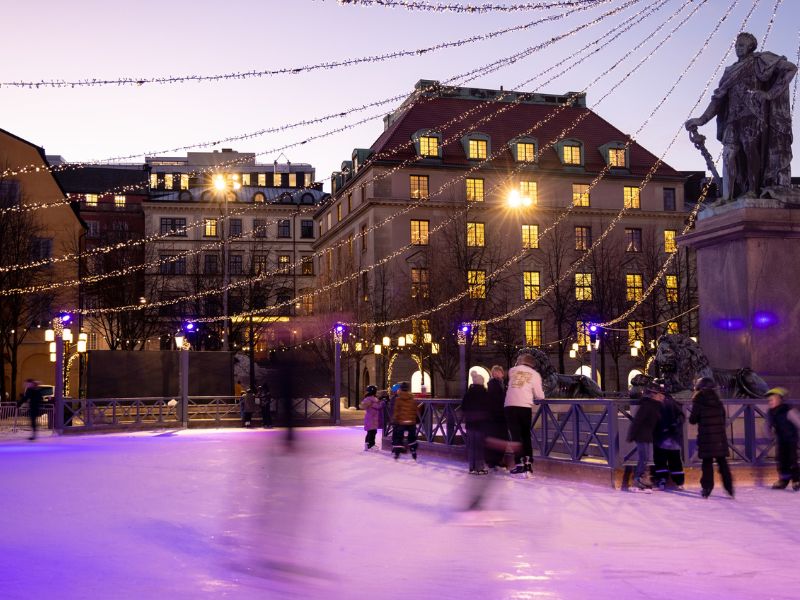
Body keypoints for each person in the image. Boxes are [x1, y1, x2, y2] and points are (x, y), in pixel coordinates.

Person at [685, 32, 797, 201]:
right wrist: (701, 119)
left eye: (742, 45)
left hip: (752, 115)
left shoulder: (761, 61)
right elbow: (718, 99)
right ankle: (727, 197)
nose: (738, 48)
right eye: (737, 45)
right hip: (732, 118)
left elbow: (791, 68)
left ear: (750, 47)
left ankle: (752, 189)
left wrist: (770, 94)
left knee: (750, 150)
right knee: (728, 154)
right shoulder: (729, 71)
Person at [689, 377, 734, 498]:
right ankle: (729, 488)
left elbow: (692, 420)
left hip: (706, 437)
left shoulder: (698, 400)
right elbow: (723, 418)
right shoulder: (718, 401)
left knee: (707, 463)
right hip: (719, 438)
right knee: (722, 463)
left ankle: (707, 488)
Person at [505, 354, 545, 477]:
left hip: (511, 406)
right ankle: (528, 464)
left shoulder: (512, 371)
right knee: (526, 435)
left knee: (516, 437)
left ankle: (519, 463)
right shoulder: (535, 374)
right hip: (525, 407)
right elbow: (540, 395)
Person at [627, 381, 665, 491]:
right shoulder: (647, 405)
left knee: (646, 458)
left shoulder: (655, 405)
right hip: (641, 435)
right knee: (643, 458)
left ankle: (642, 479)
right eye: (659, 394)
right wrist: (632, 434)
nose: (662, 396)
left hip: (647, 435)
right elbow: (638, 421)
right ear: (653, 395)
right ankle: (637, 479)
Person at [765, 387, 800, 491]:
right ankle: (784, 480)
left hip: (791, 439)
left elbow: (798, 422)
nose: (770, 402)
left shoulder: (788, 410)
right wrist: (769, 434)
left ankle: (796, 480)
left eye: (772, 399)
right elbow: (767, 424)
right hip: (781, 440)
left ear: (779, 399)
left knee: (792, 459)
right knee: (781, 460)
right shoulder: (770, 412)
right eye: (769, 400)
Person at [653, 387, 685, 491]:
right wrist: (676, 426)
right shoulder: (674, 403)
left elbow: (654, 420)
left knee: (660, 460)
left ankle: (662, 479)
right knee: (675, 460)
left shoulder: (658, 404)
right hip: (674, 437)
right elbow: (681, 417)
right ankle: (679, 481)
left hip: (661, 437)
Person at [462, 371, 489, 475]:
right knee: (479, 447)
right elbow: (488, 408)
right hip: (481, 424)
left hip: (470, 423)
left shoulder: (468, 393)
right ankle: (480, 467)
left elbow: (464, 407)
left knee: (472, 446)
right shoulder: (484, 394)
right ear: (482, 382)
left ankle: (471, 467)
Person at [485, 365, 509, 470]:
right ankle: (495, 460)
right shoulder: (494, 385)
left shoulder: (499, 384)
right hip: (497, 416)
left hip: (498, 416)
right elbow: (497, 400)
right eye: (497, 372)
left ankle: (495, 460)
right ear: (494, 373)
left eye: (500, 372)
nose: (500, 374)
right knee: (499, 438)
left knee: (499, 438)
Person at [391, 381, 418, 460]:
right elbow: (415, 410)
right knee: (412, 437)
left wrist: (394, 419)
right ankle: (413, 450)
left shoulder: (398, 399)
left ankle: (397, 452)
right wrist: (414, 418)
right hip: (411, 422)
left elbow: (396, 411)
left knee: (399, 437)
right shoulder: (412, 399)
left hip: (401, 422)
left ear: (401, 389)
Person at [361, 385, 385, 451]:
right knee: (372, 432)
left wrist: (379, 401)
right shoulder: (371, 399)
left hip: (371, 418)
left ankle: (368, 444)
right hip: (371, 419)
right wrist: (382, 403)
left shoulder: (372, 399)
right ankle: (370, 445)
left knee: (371, 432)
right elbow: (377, 406)